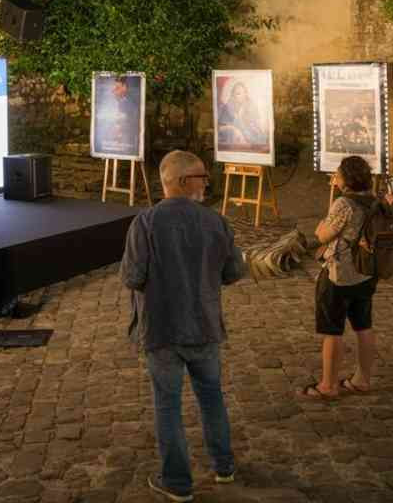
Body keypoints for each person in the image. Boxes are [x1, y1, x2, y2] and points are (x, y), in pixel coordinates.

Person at [120, 150, 246, 502]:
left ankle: (177, 483)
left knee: (168, 405)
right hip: (204, 326)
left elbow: (132, 277)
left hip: (161, 329)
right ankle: (224, 466)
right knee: (211, 397)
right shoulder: (216, 222)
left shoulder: (145, 223)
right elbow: (233, 272)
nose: (207, 182)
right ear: (181, 181)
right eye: (201, 176)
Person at [297, 156, 392, 399]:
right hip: (366, 273)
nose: (335, 178)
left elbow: (323, 235)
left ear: (347, 179)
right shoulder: (375, 201)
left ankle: (328, 385)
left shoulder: (343, 204)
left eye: (338, 174)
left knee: (332, 329)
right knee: (364, 325)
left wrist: (321, 226)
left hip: (340, 274)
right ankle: (362, 380)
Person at [217, 81, 266, 147]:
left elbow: (256, 122)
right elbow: (222, 125)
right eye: (236, 93)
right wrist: (235, 128)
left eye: (241, 93)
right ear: (232, 95)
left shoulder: (251, 105)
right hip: (234, 134)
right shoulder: (228, 106)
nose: (237, 96)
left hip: (251, 133)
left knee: (259, 138)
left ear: (245, 94)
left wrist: (254, 125)